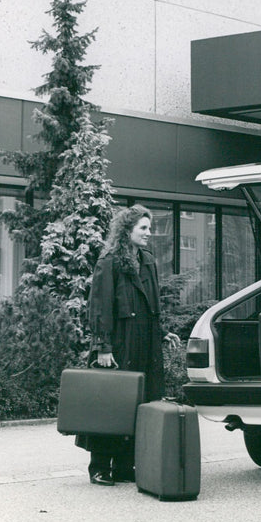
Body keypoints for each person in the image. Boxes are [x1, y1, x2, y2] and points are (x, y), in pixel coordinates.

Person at [77, 204, 180, 486]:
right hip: (119, 344)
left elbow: (150, 305)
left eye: (150, 228)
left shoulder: (147, 260)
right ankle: (99, 466)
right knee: (110, 405)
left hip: (145, 345)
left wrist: (162, 333)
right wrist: (103, 347)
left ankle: (124, 465)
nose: (149, 233)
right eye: (143, 228)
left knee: (139, 403)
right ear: (127, 230)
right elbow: (99, 307)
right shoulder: (108, 261)